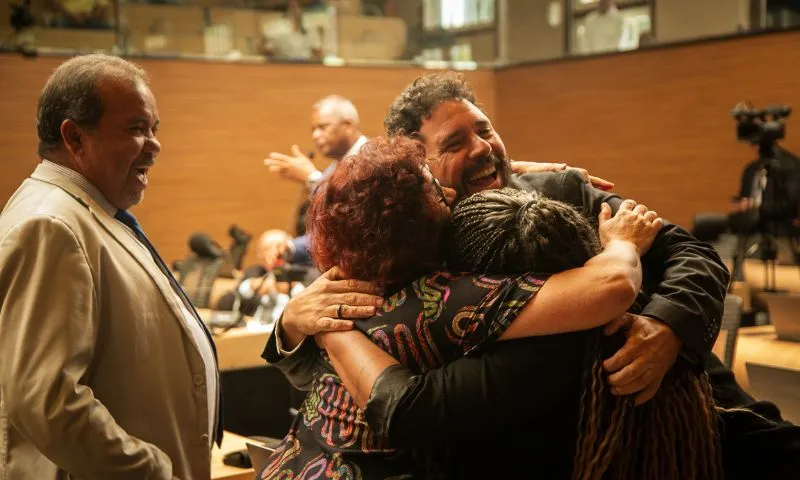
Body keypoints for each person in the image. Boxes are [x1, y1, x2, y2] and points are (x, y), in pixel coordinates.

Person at [266, 72, 800, 477]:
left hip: (685, 419)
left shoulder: (562, 191)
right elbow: (361, 368)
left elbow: (691, 255)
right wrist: (292, 324)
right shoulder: (418, 249)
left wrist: (666, 326)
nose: (482, 148)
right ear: (421, 173)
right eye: (455, 144)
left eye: (486, 129)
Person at [0, 54, 222, 479]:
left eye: (155, 129)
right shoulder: (51, 226)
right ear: (74, 137)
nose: (154, 146)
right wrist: (153, 470)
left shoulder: (89, 212)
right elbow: (47, 400)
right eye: (136, 128)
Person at [262, 94, 368, 268]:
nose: (316, 136)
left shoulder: (374, 159)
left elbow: (352, 217)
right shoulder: (333, 169)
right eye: (313, 129)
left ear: (348, 125)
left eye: (323, 127)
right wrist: (290, 247)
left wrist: (311, 179)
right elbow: (329, 232)